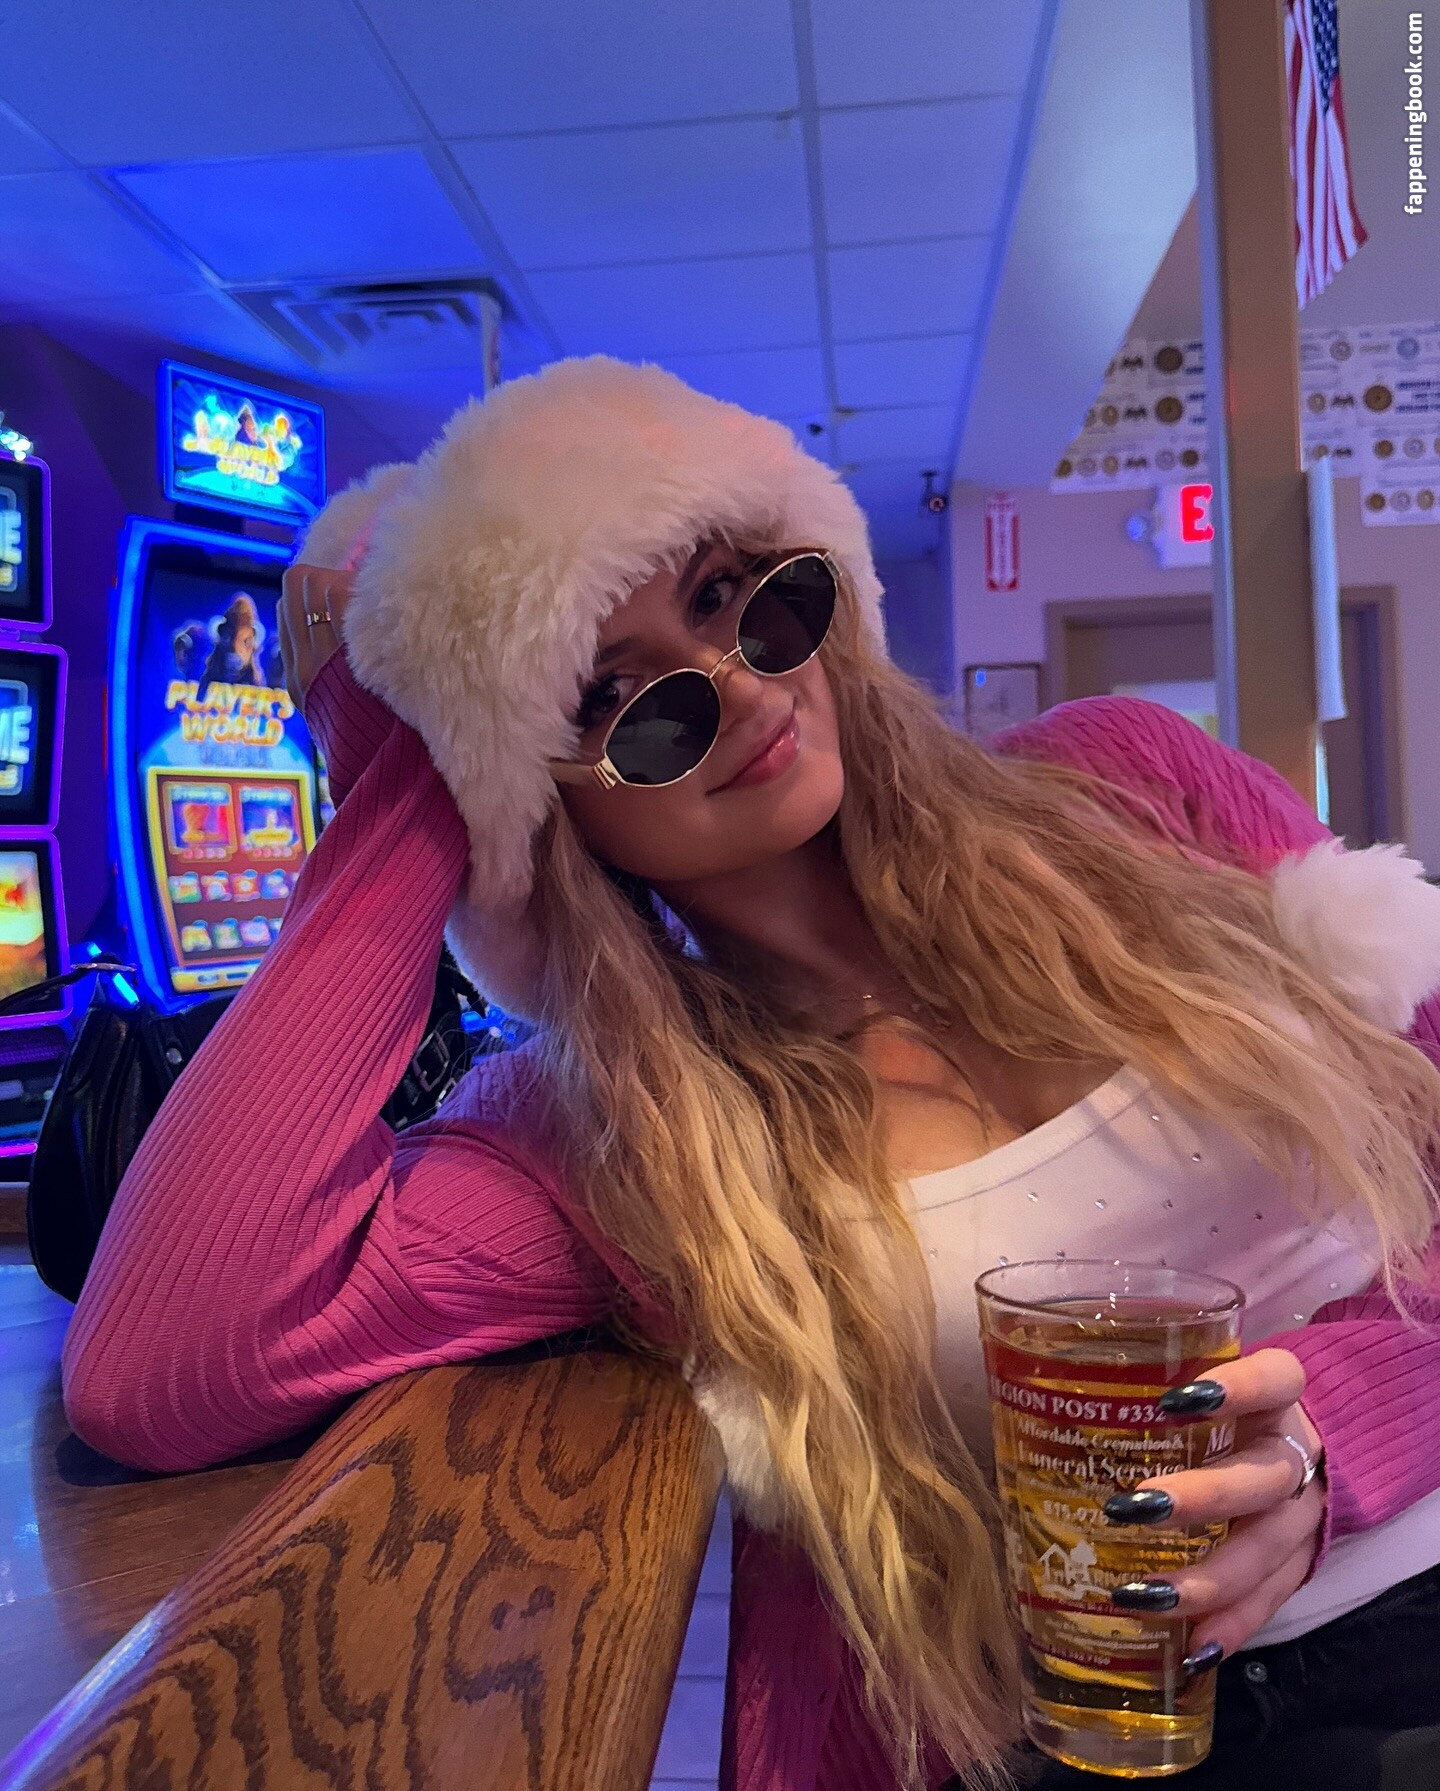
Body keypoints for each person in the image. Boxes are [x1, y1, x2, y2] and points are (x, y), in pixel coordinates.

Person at [62, 359, 1440, 1791]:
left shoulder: (1129, 785)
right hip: (1078, 1732)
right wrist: (423, 757)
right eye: (611, 694)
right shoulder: (624, 1138)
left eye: (734, 595)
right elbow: (167, 1364)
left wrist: (1331, 1442)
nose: (730, 686)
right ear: (535, 796)